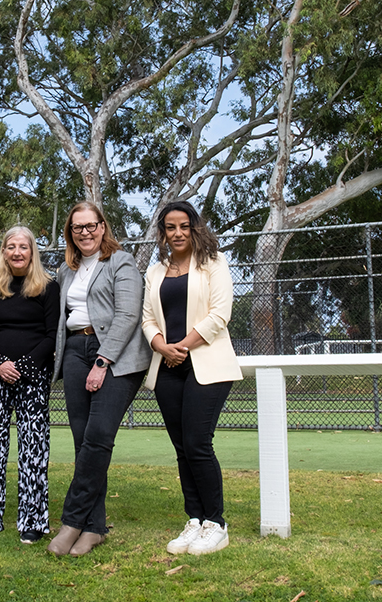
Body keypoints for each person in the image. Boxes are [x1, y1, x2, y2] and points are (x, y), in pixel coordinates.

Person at [47, 201, 150, 557]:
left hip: (115, 357)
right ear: (70, 233)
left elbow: (128, 314)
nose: (86, 232)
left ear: (103, 227)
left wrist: (103, 361)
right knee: (83, 441)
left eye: (92, 225)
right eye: (78, 227)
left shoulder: (121, 262)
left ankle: (72, 521)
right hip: (76, 351)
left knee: (99, 436)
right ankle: (94, 527)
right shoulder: (65, 270)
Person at [141, 200, 243, 556]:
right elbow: (147, 319)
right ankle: (195, 521)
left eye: (184, 226)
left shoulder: (214, 263)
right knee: (183, 447)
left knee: (199, 443)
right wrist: (162, 346)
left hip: (206, 364)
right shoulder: (155, 272)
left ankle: (217, 524)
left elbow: (220, 314)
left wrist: (181, 345)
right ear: (163, 233)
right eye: (171, 227)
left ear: (195, 228)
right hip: (168, 367)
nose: (178, 233)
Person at [0, 225, 60, 544]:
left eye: (24, 247)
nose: (17, 252)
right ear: (3, 251)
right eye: (11, 247)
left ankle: (32, 521)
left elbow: (51, 335)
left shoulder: (48, 287)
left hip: (33, 377)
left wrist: (24, 366)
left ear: (32, 251)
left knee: (33, 449)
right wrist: (0, 364)